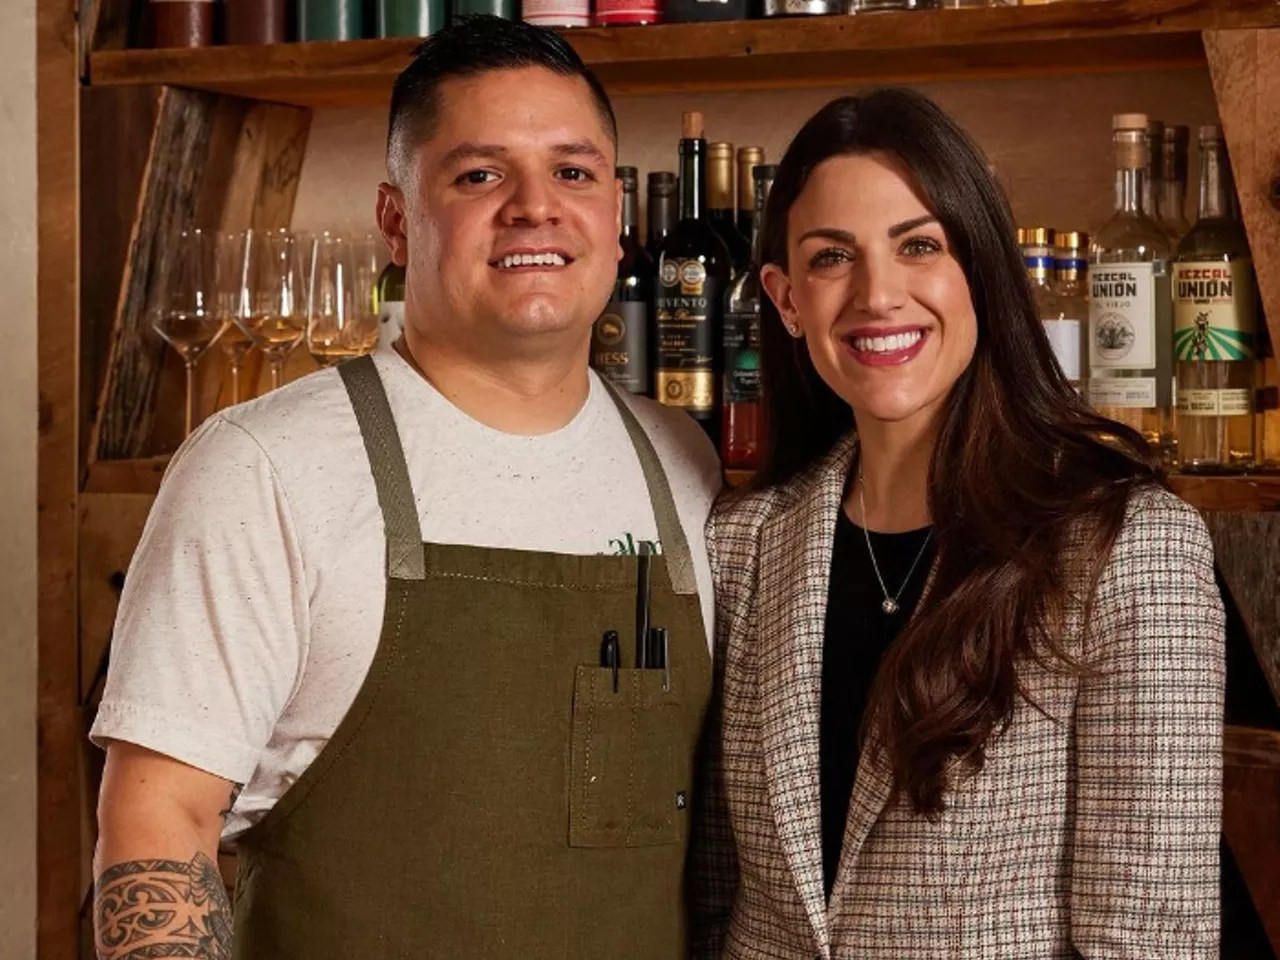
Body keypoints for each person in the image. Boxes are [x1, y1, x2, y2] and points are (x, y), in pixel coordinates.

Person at [91, 16, 721, 959]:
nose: (534, 207)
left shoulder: (682, 462)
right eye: (479, 174)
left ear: (618, 217)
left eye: (574, 172)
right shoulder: (260, 467)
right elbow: (156, 824)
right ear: (394, 220)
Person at [692, 88, 1224, 959]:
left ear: (979, 268)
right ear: (786, 301)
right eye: (833, 258)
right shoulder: (743, 545)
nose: (878, 294)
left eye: (919, 246)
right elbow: (720, 900)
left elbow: (1149, 936)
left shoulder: (1128, 547)